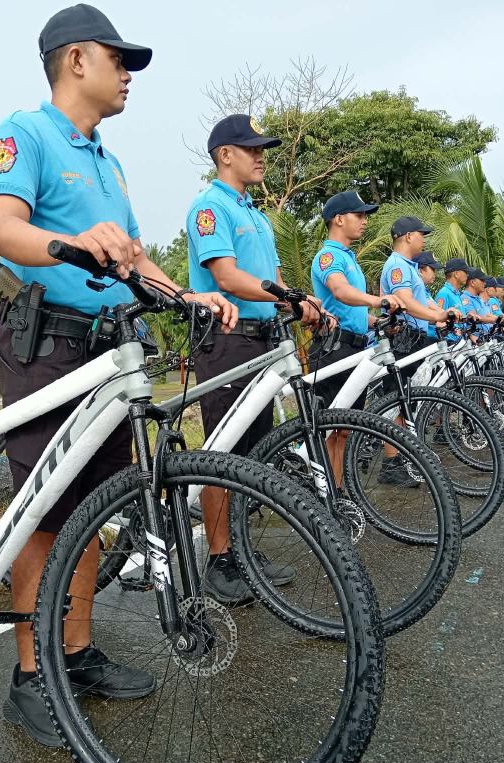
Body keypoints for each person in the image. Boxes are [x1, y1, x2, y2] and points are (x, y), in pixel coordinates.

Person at [0, 4, 237, 746]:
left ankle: (76, 652)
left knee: (96, 505)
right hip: (44, 346)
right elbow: (2, 228)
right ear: (75, 60)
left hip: (105, 346)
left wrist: (186, 294)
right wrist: (71, 241)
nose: (128, 74)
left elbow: (132, 257)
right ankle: (30, 680)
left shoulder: (107, 161)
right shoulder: (23, 133)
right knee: (46, 511)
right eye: (117, 58)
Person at [187, 113, 322, 604]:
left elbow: (273, 277)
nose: (261, 156)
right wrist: (287, 297)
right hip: (227, 337)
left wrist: (296, 299)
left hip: (261, 336)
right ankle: (219, 559)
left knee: (253, 451)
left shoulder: (256, 213)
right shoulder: (210, 207)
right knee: (222, 451)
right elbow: (225, 276)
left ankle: (240, 547)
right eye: (252, 149)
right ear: (225, 155)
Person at [309, 190, 401, 485]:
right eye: (359, 215)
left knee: (345, 429)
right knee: (329, 428)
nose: (364, 221)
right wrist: (377, 300)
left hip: (355, 347)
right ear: (338, 219)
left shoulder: (349, 258)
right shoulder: (329, 257)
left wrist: (375, 322)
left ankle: (338, 491)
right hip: (334, 349)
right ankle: (325, 492)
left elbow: (350, 309)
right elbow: (339, 291)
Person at [379, 217, 456, 483]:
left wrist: (443, 313)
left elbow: (424, 302)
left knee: (405, 402)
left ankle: (399, 458)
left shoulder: (409, 267)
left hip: (414, 338)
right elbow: (406, 302)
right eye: (421, 235)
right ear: (408, 236)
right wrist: (437, 316)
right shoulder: (397, 267)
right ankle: (390, 463)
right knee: (395, 401)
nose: (424, 240)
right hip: (402, 340)